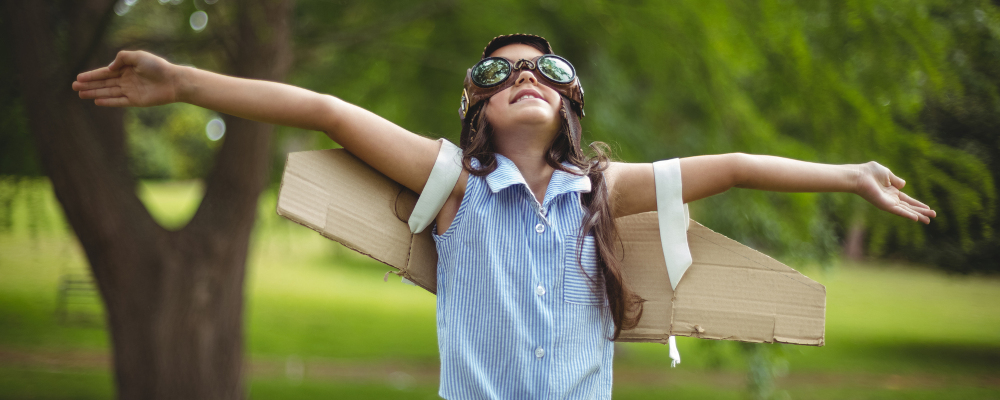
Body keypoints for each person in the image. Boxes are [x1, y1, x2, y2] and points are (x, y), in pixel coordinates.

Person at [73, 34, 935, 399]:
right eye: (500, 73)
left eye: (544, 70)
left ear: (571, 103)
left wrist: (851, 175)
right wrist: (183, 83)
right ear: (475, 107)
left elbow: (739, 166)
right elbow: (325, 110)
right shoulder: (452, 186)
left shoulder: (605, 190)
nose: (524, 76)